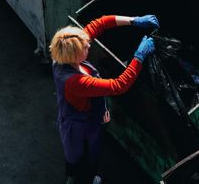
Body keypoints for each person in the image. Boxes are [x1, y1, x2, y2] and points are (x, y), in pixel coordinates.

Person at [50, 14, 159, 184]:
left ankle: (73, 177)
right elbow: (119, 85)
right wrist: (139, 56)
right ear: (77, 55)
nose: (89, 46)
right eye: (86, 47)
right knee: (84, 155)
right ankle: (82, 179)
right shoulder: (76, 82)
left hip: (80, 116)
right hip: (81, 124)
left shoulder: (63, 53)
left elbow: (100, 23)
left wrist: (134, 20)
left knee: (76, 154)